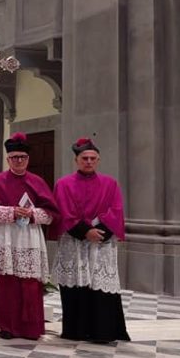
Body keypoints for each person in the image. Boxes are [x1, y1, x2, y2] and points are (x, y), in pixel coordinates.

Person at [0, 132, 60, 340]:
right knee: (7, 284)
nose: (19, 161)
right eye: (14, 157)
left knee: (30, 285)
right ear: (8, 160)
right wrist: (11, 212)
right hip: (4, 238)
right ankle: (8, 327)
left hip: (29, 238)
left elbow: (51, 215)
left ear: (28, 159)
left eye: (22, 157)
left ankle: (31, 329)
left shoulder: (37, 182)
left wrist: (32, 214)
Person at [51, 138, 130, 343]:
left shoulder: (110, 183)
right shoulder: (63, 184)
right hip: (75, 242)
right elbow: (63, 212)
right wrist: (86, 232)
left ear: (98, 160)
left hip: (101, 243)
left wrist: (99, 232)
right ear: (76, 160)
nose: (89, 162)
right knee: (76, 284)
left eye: (93, 158)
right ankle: (76, 331)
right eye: (84, 158)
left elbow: (117, 210)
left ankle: (102, 332)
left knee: (99, 285)